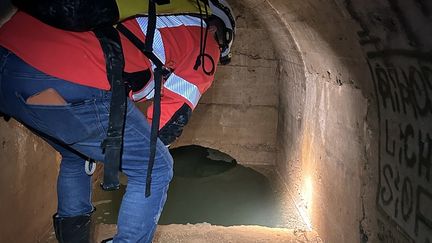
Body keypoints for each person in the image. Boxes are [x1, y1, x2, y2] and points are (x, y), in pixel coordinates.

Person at [0, 2, 235, 242]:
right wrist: (135, 158)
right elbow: (170, 120)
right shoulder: (205, 41)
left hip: (8, 65)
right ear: (219, 30)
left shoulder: (149, 14)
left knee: (77, 154)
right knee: (155, 167)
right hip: (69, 76)